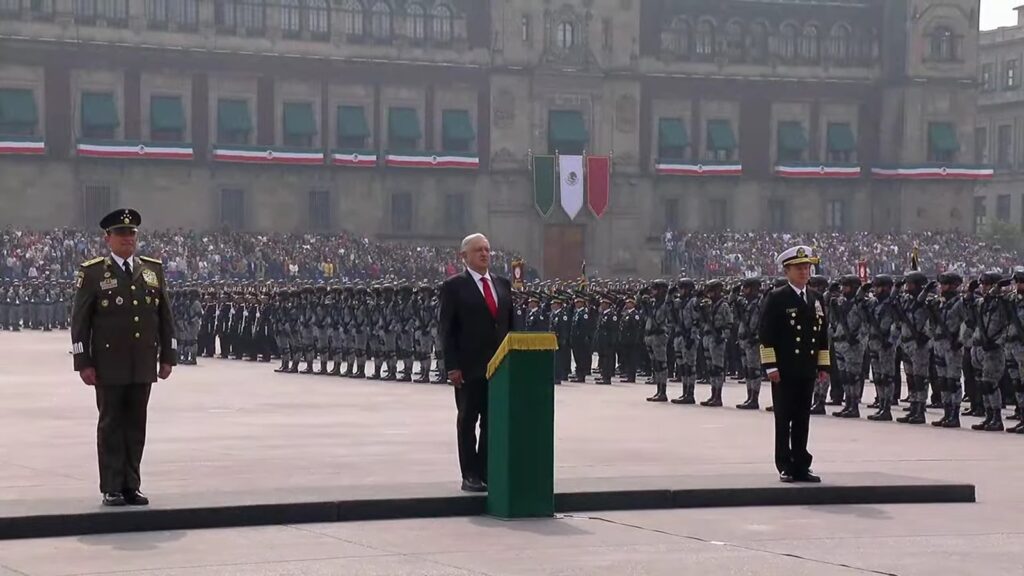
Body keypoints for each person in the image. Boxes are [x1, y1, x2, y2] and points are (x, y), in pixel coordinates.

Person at [70, 208, 176, 507]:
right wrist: (83, 361)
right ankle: (112, 486)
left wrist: (168, 355)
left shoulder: (152, 271)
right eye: (121, 234)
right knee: (111, 425)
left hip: (142, 363)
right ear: (108, 239)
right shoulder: (93, 273)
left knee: (136, 425)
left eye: (131, 234)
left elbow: (164, 316)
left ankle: (132, 484)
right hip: (108, 364)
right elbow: (80, 321)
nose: (127, 239)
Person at [439, 233, 514, 493]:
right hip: (469, 368)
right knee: (468, 420)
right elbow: (446, 330)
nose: (484, 254)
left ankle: (486, 471)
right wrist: (452, 366)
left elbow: (511, 327)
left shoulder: (502, 284)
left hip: (500, 368)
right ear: (464, 256)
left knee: (493, 422)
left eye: (487, 250)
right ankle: (469, 474)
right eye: (478, 250)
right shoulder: (454, 286)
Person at [759, 246, 829, 483]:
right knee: (784, 417)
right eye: (799, 268)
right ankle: (784, 464)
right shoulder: (777, 297)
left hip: (807, 367)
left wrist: (823, 366)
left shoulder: (816, 298)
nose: (804, 272)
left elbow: (822, 335)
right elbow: (766, 334)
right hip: (785, 369)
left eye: (807, 267)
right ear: (787, 271)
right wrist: (771, 367)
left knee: (802, 418)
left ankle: (801, 462)